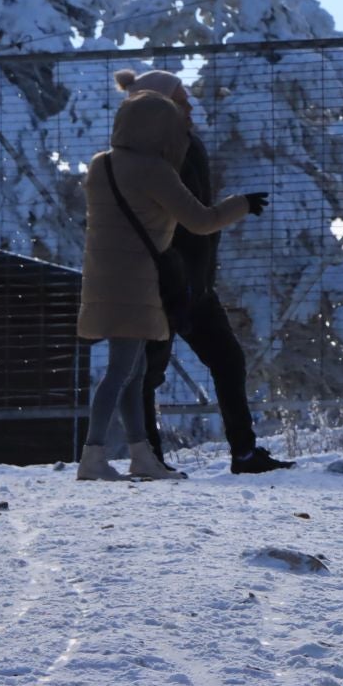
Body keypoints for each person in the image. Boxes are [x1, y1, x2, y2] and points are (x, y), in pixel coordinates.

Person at [114, 70, 294, 475]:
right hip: (162, 284)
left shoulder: (183, 145)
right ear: (158, 106)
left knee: (225, 359)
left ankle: (243, 453)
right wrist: (238, 206)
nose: (191, 105)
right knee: (147, 374)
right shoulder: (156, 157)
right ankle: (150, 459)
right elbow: (194, 218)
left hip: (194, 283)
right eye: (182, 99)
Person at [77, 88, 262, 481]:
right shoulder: (153, 170)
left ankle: (142, 455)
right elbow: (201, 220)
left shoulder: (100, 165)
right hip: (137, 284)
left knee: (136, 372)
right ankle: (92, 456)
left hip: (102, 280)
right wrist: (242, 204)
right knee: (120, 373)